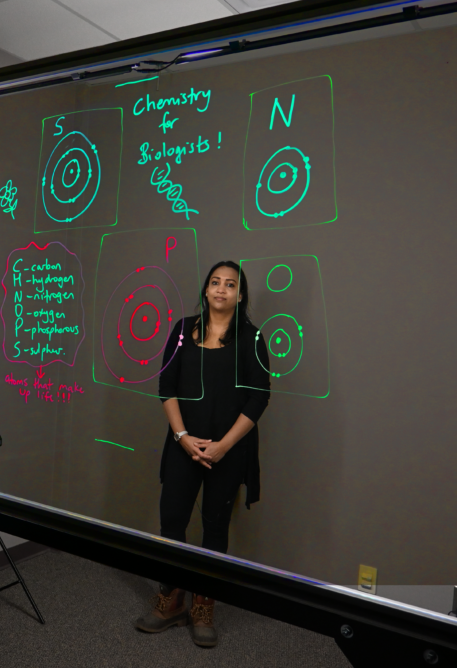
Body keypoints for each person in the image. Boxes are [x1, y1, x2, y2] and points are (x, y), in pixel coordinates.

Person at [134, 260, 270, 647]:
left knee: (215, 527)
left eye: (230, 284)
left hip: (229, 450)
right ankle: (171, 601)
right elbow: (166, 385)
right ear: (206, 289)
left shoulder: (252, 338)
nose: (222, 289)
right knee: (172, 521)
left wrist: (224, 445)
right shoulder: (182, 330)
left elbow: (260, 396)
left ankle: (203, 605)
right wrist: (182, 437)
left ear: (240, 295)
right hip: (183, 445)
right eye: (215, 282)